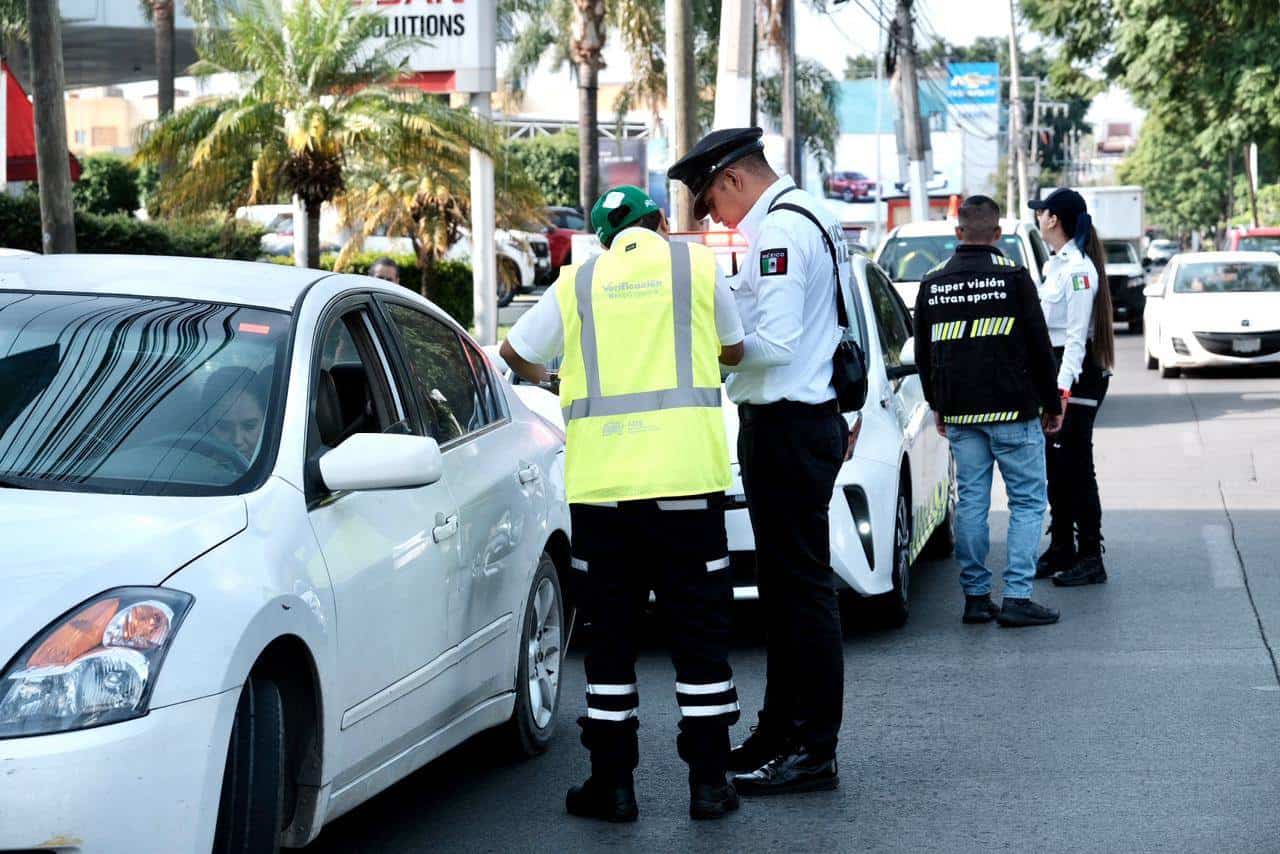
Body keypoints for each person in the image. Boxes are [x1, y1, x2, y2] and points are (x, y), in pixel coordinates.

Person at [499, 185, 747, 822]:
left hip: (603, 494)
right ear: (662, 222)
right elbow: (735, 349)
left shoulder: (578, 282)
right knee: (700, 636)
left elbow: (514, 353)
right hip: (688, 485)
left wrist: (559, 380)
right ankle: (711, 785)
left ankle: (613, 787)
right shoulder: (695, 264)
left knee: (610, 640)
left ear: (604, 238)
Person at [669, 127, 852, 796]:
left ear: (735, 179)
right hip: (799, 422)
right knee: (786, 593)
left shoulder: (779, 232)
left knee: (800, 594)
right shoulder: (810, 215)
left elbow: (772, 343)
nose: (714, 216)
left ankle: (812, 749)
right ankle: (781, 734)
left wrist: (700, 346)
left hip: (787, 426)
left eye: (712, 200)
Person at [913, 196, 1063, 627]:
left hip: (960, 414)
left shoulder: (932, 282)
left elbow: (924, 354)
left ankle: (976, 598)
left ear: (958, 233)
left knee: (973, 505)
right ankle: (1017, 596)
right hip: (1014, 411)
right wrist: (1051, 404)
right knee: (1029, 502)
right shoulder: (1014, 278)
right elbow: (1040, 348)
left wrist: (937, 405)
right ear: (997, 235)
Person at [1028, 188, 1116, 587]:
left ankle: (1090, 556)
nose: (1038, 217)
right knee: (1056, 466)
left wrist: (1060, 393)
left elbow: (1077, 338)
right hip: (1057, 375)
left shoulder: (1079, 270)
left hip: (1076, 376)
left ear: (1054, 219)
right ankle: (1062, 544)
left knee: (1077, 466)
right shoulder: (1055, 266)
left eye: (1041, 211)